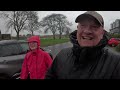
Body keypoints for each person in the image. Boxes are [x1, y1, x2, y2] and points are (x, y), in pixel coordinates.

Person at [45, 11, 120, 79]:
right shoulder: (62, 55)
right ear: (77, 29)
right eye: (83, 25)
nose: (87, 31)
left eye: (94, 26)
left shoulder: (116, 63)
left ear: (102, 33)